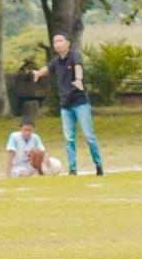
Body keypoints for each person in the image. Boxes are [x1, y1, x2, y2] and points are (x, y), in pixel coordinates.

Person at [32, 33, 103, 176]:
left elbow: (78, 67)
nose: (57, 44)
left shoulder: (74, 55)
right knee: (69, 138)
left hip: (80, 102)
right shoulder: (56, 61)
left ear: (67, 43)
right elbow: (47, 68)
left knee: (89, 135)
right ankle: (72, 168)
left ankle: (99, 165)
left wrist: (78, 79)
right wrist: (38, 74)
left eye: (60, 40)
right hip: (65, 105)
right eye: (55, 41)